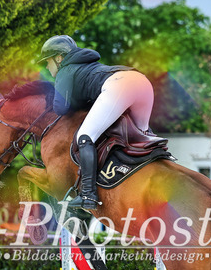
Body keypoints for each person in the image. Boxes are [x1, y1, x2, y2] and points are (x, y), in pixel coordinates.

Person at [38, 35, 154, 210]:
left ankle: (88, 194)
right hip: (142, 83)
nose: (47, 66)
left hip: (120, 85)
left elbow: (61, 108)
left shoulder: (65, 70)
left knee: (85, 137)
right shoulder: (87, 66)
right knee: (141, 137)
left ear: (59, 58)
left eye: (48, 61)